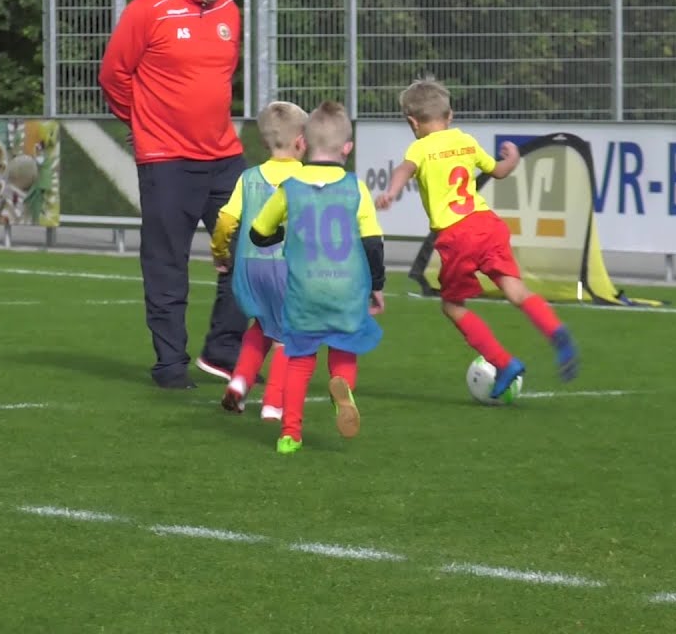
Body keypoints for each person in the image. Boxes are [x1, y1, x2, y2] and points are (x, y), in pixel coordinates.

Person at [98, 0, 247, 390]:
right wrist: (142, 125)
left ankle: (222, 354)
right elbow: (114, 76)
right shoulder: (149, 8)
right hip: (167, 160)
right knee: (167, 264)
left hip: (225, 158)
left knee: (252, 253)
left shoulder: (230, 11)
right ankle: (169, 365)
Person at [375, 77, 578, 401]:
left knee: (452, 306)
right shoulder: (465, 141)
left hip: (457, 236)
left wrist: (391, 192)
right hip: (488, 225)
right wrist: (513, 156)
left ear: (412, 122)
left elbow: (403, 169)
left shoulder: (420, 147)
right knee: (516, 290)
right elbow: (499, 171)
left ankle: (504, 362)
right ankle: (556, 331)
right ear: (450, 115)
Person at [249, 101, 386, 454]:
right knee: (344, 347)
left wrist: (283, 234)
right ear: (347, 148)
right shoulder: (356, 188)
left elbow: (258, 233)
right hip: (346, 288)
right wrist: (377, 287)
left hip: (303, 290)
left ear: (303, 144)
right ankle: (342, 384)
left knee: (298, 360)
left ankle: (290, 434)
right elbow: (373, 243)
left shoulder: (290, 186)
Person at [209, 101, 308, 421]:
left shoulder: (248, 177)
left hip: (248, 267)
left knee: (263, 325)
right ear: (300, 141)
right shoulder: (305, 178)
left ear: (266, 141)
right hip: (284, 267)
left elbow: (225, 220)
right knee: (288, 334)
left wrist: (220, 253)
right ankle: (273, 403)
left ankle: (238, 383)